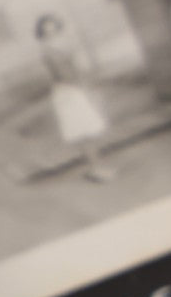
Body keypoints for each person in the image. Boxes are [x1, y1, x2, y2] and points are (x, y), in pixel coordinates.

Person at [35, 14, 113, 183]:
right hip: (68, 92)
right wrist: (82, 86)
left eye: (54, 29)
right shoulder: (48, 51)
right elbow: (62, 74)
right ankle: (96, 168)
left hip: (76, 88)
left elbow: (77, 66)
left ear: (58, 28)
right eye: (47, 32)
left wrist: (85, 82)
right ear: (43, 34)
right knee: (83, 131)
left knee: (90, 131)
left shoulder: (64, 44)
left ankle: (97, 166)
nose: (52, 34)